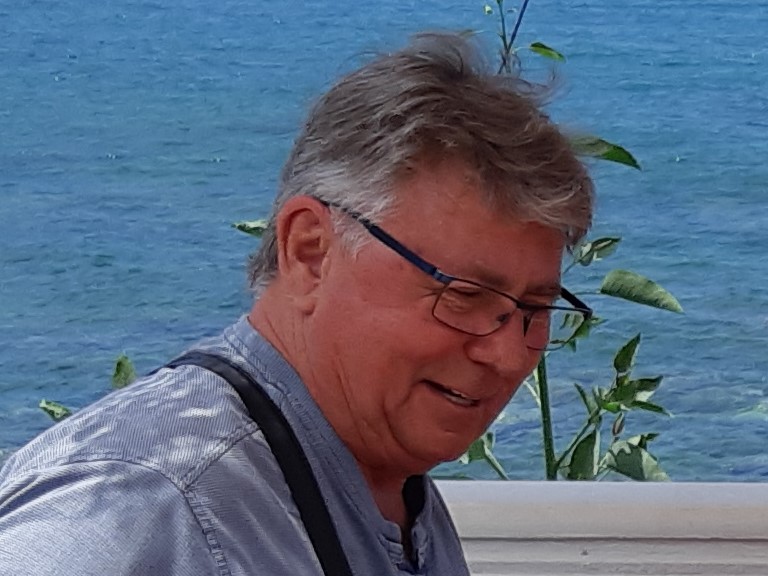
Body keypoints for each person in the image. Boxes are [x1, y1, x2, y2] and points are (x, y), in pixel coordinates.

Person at [0, 32, 594, 575]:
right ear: (310, 252)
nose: (507, 355)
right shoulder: (145, 508)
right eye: (463, 296)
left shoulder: (384, 486)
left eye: (534, 310)